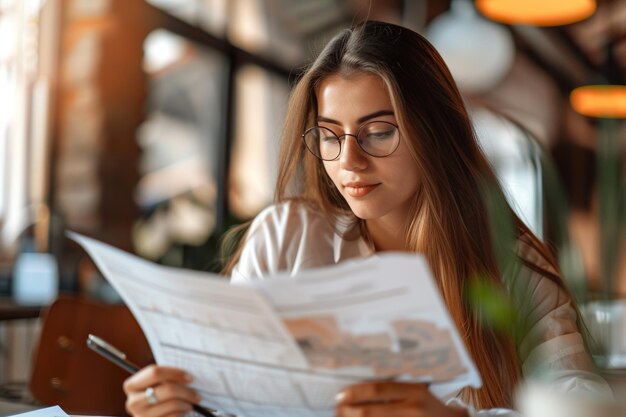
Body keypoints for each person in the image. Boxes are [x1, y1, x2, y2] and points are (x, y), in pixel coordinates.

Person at [123, 21, 611, 417]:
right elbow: (228, 400)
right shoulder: (287, 238)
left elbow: (577, 404)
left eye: (379, 132)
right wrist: (179, 407)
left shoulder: (508, 265)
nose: (349, 162)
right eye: (330, 135)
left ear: (436, 135)